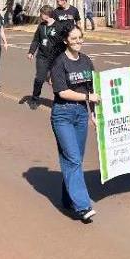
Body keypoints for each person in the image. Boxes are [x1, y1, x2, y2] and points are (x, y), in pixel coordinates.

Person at [48, 27, 98, 223]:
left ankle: (68, 199)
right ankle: (83, 206)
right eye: (74, 38)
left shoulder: (86, 61)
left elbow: (92, 88)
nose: (78, 41)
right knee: (74, 159)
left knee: (74, 159)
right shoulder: (59, 62)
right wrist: (87, 97)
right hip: (63, 115)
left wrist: (93, 113)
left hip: (81, 115)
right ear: (66, 41)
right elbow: (62, 92)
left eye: (80, 38)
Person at [27, 5, 61, 110]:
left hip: (55, 58)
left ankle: (58, 101)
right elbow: (36, 40)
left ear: (46, 15)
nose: (40, 16)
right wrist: (31, 52)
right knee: (40, 78)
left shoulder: (58, 26)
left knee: (56, 80)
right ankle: (35, 99)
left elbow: (63, 42)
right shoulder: (41, 26)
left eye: (41, 14)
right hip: (42, 57)